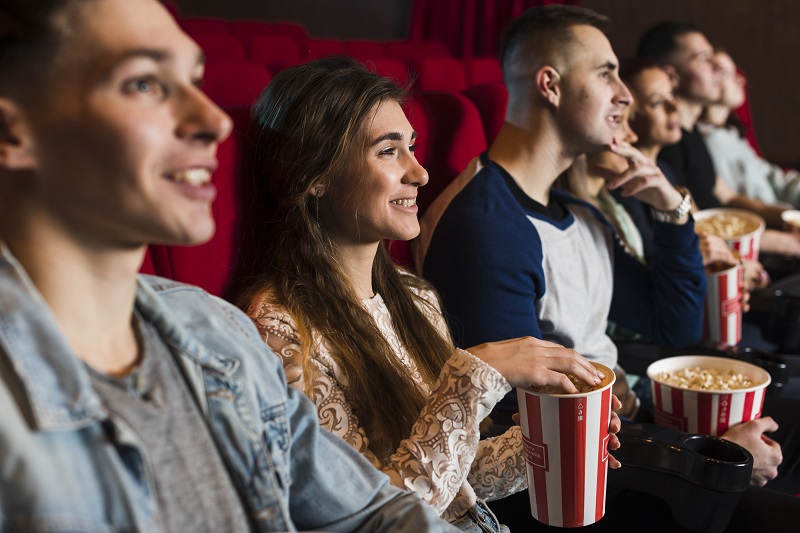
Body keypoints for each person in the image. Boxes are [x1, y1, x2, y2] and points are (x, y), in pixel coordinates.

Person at [0, 1, 462, 531]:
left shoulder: (219, 334)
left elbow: (375, 513)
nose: (214, 121)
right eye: (144, 84)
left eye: (193, 80)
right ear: (14, 132)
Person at [419, 5, 800, 531]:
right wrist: (704, 457)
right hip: (575, 488)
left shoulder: (581, 213)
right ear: (550, 85)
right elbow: (525, 430)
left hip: (621, 437)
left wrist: (671, 209)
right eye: (606, 74)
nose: (626, 94)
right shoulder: (487, 228)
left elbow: (677, 327)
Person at [233, 55, 621, 533]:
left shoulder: (414, 297)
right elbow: (372, 520)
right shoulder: (279, 331)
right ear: (314, 176)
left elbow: (453, 472)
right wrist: (477, 376)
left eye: (411, 147)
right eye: (387, 151)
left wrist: (548, 442)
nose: (419, 173)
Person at [638, 21, 800, 256]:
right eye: (703, 58)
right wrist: (789, 243)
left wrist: (786, 216)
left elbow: (728, 195)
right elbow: (694, 225)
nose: (719, 67)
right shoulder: (667, 143)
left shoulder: (692, 133)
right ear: (671, 75)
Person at [699, 50, 800, 208]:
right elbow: (738, 204)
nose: (740, 80)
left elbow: (770, 175)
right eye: (728, 74)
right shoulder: (713, 142)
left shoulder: (730, 132)